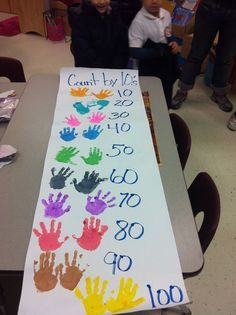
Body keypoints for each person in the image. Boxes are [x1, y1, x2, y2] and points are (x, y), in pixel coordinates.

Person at [171, 0, 236, 112]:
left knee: (226, 55)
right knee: (197, 52)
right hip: (209, 7)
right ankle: (183, 90)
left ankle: (219, 92)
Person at [129, 0, 181, 108]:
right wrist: (158, 52)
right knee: (149, 101)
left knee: (166, 94)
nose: (154, 1)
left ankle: (165, 112)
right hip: (148, 67)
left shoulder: (166, 14)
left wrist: (173, 41)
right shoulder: (138, 22)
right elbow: (134, 51)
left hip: (165, 65)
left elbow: (168, 32)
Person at [69, 0, 129, 69]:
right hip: (91, 70)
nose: (102, 2)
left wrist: (117, 68)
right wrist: (103, 72)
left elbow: (123, 46)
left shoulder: (117, 11)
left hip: (114, 70)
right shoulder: (78, 17)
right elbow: (83, 52)